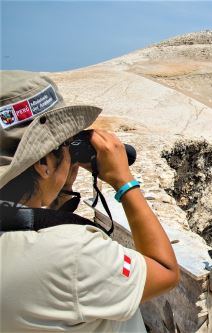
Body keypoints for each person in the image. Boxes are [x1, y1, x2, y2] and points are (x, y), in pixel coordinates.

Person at [0, 71, 180, 332]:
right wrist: (124, 182)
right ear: (42, 162)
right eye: (65, 146)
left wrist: (62, 185)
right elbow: (165, 271)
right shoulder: (74, 253)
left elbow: (33, 221)